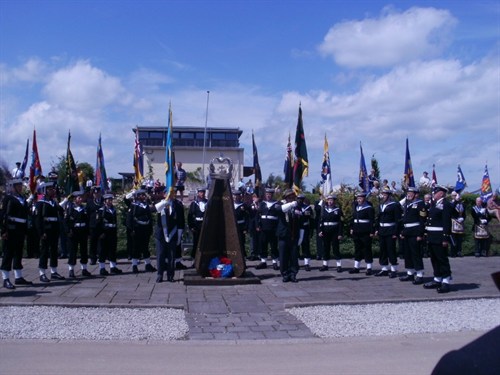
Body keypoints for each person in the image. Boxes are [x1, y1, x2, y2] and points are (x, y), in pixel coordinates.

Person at [1, 179, 32, 289]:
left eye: (20, 185)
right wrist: (4, 231)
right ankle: (5, 279)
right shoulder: (8, 198)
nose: (20, 187)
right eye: (17, 186)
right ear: (12, 187)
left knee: (18, 253)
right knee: (8, 253)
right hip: (11, 228)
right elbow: (4, 215)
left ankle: (18, 277)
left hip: (20, 229)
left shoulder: (22, 199)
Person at [423, 185, 453, 293]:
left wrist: (445, 238)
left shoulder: (446, 204)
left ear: (441, 193)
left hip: (440, 236)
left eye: (435, 192)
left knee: (442, 259)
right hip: (432, 236)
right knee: (434, 258)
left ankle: (446, 281)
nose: (433, 193)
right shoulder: (435, 204)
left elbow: (446, 222)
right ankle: (437, 279)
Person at [35, 182, 65, 282]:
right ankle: (42, 273)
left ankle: (54, 271)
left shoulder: (53, 202)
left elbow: (61, 211)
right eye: (50, 189)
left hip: (54, 229)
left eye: (52, 189)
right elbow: (38, 219)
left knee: (54, 251)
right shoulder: (41, 203)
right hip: (46, 229)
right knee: (44, 251)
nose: (52, 190)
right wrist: (41, 232)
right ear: (44, 190)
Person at [154, 193, 185, 282]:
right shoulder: (160, 203)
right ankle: (160, 274)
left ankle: (170, 275)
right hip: (161, 235)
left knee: (171, 256)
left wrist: (179, 235)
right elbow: (152, 209)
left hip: (173, 234)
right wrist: (163, 203)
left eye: (172, 193)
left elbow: (181, 221)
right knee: (160, 255)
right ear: (164, 194)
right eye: (168, 193)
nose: (171, 195)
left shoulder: (177, 205)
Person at [399, 187, 427, 284]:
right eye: (408, 192)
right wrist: (403, 232)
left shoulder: (420, 203)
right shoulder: (407, 204)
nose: (409, 194)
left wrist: (420, 234)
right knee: (408, 253)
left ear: (416, 194)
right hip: (407, 231)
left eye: (411, 193)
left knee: (416, 253)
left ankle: (419, 274)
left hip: (415, 231)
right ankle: (410, 273)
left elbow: (422, 220)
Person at [126, 189, 156, 273]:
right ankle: (134, 265)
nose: (144, 196)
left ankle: (148, 264)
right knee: (136, 247)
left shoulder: (146, 205)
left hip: (145, 228)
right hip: (137, 229)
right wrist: (131, 229)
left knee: (145, 247)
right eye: (142, 195)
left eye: (144, 195)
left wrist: (150, 229)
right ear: (138, 196)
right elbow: (130, 219)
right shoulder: (134, 205)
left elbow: (149, 217)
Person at [375, 186, 402, 277]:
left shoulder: (395, 205)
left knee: (391, 250)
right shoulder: (381, 205)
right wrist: (377, 229)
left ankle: (394, 269)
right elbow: (378, 218)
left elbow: (398, 220)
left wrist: (396, 232)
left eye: (385, 194)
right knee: (383, 250)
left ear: (389, 195)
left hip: (391, 230)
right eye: (383, 194)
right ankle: (384, 269)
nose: (383, 196)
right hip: (382, 230)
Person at [65, 191, 91, 278]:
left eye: (81, 198)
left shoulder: (84, 209)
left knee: (84, 251)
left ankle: (84, 269)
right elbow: (67, 222)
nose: (81, 199)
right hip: (74, 232)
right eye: (79, 198)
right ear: (74, 199)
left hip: (83, 231)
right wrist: (69, 231)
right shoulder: (70, 209)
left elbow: (87, 221)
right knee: (73, 251)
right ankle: (71, 269)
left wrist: (88, 233)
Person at [96, 194, 122, 275]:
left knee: (112, 250)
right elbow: (98, 223)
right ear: (105, 201)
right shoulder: (101, 210)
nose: (110, 201)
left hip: (112, 232)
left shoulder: (113, 210)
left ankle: (113, 267)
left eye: (111, 200)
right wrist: (100, 233)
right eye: (108, 200)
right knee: (102, 250)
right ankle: (102, 268)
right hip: (104, 233)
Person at [349, 192, 375, 274]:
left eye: (360, 198)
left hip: (366, 231)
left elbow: (372, 221)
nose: (359, 200)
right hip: (356, 231)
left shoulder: (369, 208)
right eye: (358, 198)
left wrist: (372, 231)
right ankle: (356, 267)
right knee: (357, 249)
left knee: (367, 249)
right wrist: (352, 228)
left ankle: (369, 268)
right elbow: (353, 218)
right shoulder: (356, 207)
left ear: (364, 198)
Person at [277, 189, 299, 282]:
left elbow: (300, 221)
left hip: (293, 235)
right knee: (283, 256)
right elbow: (280, 209)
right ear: (285, 198)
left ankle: (293, 274)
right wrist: (291, 204)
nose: (291, 198)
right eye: (289, 197)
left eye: (292, 197)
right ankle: (285, 274)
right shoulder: (280, 204)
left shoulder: (297, 206)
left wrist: (301, 235)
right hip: (283, 235)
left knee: (294, 256)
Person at [256, 188, 280, 270]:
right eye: (267, 194)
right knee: (263, 245)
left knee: (274, 245)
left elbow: (280, 217)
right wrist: (258, 225)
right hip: (263, 228)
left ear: (272, 195)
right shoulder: (262, 204)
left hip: (273, 228)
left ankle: (274, 262)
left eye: (270, 194)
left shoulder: (277, 204)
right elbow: (257, 216)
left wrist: (278, 228)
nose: (268, 195)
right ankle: (263, 261)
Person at [317, 194, 343, 272]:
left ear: (334, 201)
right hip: (325, 231)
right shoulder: (323, 210)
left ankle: (339, 265)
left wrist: (340, 233)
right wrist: (320, 231)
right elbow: (320, 222)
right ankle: (325, 265)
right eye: (328, 200)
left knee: (335, 248)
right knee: (325, 248)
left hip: (334, 231)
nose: (330, 202)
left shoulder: (338, 210)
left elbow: (341, 223)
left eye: (331, 200)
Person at [187, 188, 207, 259]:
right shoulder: (194, 203)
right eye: (201, 192)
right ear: (198, 193)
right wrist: (191, 226)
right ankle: (194, 259)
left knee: (205, 243)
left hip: (205, 225)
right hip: (197, 225)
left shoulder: (207, 202)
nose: (202, 194)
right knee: (196, 243)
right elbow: (190, 216)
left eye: (203, 192)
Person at [295, 194, 314, 271]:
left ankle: (306, 263)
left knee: (305, 246)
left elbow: (311, 219)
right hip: (296, 228)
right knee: (295, 246)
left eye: (301, 199)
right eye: (298, 199)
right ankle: (296, 263)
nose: (300, 200)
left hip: (305, 228)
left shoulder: (308, 208)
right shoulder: (294, 207)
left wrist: (311, 230)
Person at [86, 186, 104, 265]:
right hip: (92, 225)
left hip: (101, 225)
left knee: (101, 242)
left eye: (98, 193)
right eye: (95, 193)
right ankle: (93, 258)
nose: (97, 195)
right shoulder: (90, 202)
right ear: (93, 194)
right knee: (92, 243)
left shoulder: (104, 201)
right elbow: (88, 214)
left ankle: (101, 257)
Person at [233, 190, 249, 255]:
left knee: (241, 241)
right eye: (235, 196)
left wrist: (245, 228)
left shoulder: (244, 205)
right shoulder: (230, 204)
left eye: (237, 196)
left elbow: (247, 217)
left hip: (240, 226)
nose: (236, 197)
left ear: (240, 197)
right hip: (232, 225)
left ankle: (242, 255)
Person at [449, 191, 466, 257]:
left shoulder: (462, 204)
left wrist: (463, 218)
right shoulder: (450, 203)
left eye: (457, 195)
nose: (456, 197)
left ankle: (459, 251)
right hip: (453, 222)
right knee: (453, 239)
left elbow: (464, 214)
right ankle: (453, 252)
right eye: (455, 195)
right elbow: (451, 210)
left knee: (460, 239)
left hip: (460, 222)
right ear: (452, 196)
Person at [246, 192, 261, 261]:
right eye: (254, 197)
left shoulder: (261, 204)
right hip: (252, 225)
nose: (255, 198)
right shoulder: (250, 205)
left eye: (256, 197)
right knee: (252, 240)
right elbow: (248, 210)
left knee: (259, 240)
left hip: (260, 225)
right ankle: (252, 254)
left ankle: (258, 254)